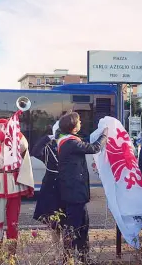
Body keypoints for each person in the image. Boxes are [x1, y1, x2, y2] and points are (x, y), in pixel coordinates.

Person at [0, 114, 34, 263]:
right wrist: (1, 134)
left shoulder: (15, 141)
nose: (4, 129)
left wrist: (15, 131)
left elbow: (25, 146)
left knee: (13, 222)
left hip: (13, 184)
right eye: (1, 127)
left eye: (6, 127)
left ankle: (12, 256)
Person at [56, 112, 108, 265]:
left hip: (74, 191)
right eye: (79, 122)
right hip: (74, 192)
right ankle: (70, 258)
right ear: (72, 126)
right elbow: (94, 148)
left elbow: (87, 143)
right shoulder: (71, 143)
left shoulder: (68, 141)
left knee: (82, 225)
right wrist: (104, 135)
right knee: (75, 226)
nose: (81, 124)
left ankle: (82, 257)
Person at [32, 121, 63, 243]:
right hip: (51, 186)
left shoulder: (71, 144)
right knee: (53, 221)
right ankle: (56, 251)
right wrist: (47, 138)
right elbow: (35, 152)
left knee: (67, 220)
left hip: (66, 185)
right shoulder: (49, 147)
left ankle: (67, 252)